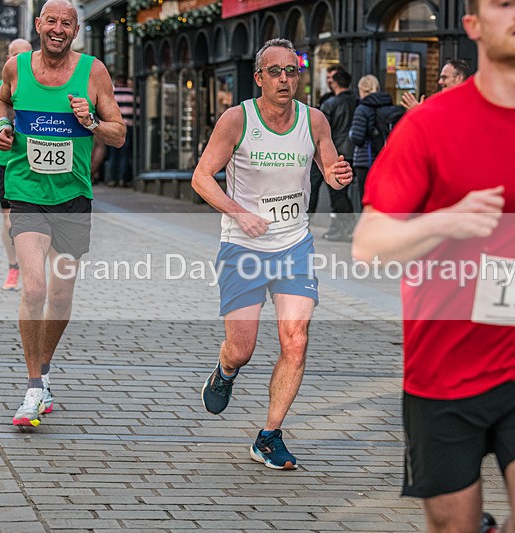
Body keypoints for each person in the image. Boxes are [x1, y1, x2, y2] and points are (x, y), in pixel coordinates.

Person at [352, 1, 515, 532]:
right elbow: (368, 244)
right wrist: (443, 222)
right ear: (473, 26)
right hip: (443, 371)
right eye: (504, 3)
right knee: (454, 525)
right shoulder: (427, 126)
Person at [192, 38, 353, 470]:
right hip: (242, 246)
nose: (285, 79)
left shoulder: (314, 120)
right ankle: (226, 370)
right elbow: (202, 178)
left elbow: (331, 174)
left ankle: (269, 435)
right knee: (241, 348)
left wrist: (340, 176)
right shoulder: (236, 119)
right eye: (275, 72)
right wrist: (239, 212)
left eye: (292, 71)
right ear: (259, 78)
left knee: (295, 341)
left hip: (293, 244)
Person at [0, 0, 125, 427]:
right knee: (34, 290)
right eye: (51, 20)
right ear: (38, 25)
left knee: (61, 295)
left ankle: (44, 371)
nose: (58, 28)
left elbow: (119, 133)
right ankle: (33, 388)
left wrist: (90, 123)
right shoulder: (16, 68)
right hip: (26, 191)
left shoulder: (94, 71)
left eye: (66, 23)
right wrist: (0, 128)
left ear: (75, 31)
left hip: (72, 197)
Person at [0, 38, 33, 291]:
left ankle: (31, 269)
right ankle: (14, 268)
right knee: (10, 222)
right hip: (5, 163)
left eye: (24, 55)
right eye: (14, 56)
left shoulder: (40, 86)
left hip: (33, 162)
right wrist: (1, 131)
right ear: (8, 59)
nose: (18, 61)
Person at [319, 67, 357, 241]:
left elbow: (321, 132)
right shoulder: (358, 102)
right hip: (356, 154)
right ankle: (345, 228)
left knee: (337, 194)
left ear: (334, 82)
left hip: (337, 155)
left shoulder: (330, 104)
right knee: (343, 194)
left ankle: (345, 228)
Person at [348, 74, 392, 211]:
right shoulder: (387, 106)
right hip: (384, 159)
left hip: (365, 160)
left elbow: (358, 137)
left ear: (362, 90)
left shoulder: (362, 109)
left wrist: (351, 133)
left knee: (366, 201)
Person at [307, 64, 341, 214]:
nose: (329, 81)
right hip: (322, 148)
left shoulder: (333, 102)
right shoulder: (327, 99)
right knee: (313, 185)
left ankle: (340, 225)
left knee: (335, 189)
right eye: (327, 78)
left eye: (331, 78)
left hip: (334, 149)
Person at [401, 59, 470, 110]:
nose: (440, 82)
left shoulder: (468, 105)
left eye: (444, 77)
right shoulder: (440, 103)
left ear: (459, 78)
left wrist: (419, 112)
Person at [106, 74, 134, 187]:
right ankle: (123, 178)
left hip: (113, 126)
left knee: (113, 153)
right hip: (128, 126)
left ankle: (113, 178)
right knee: (125, 154)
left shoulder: (112, 93)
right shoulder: (131, 93)